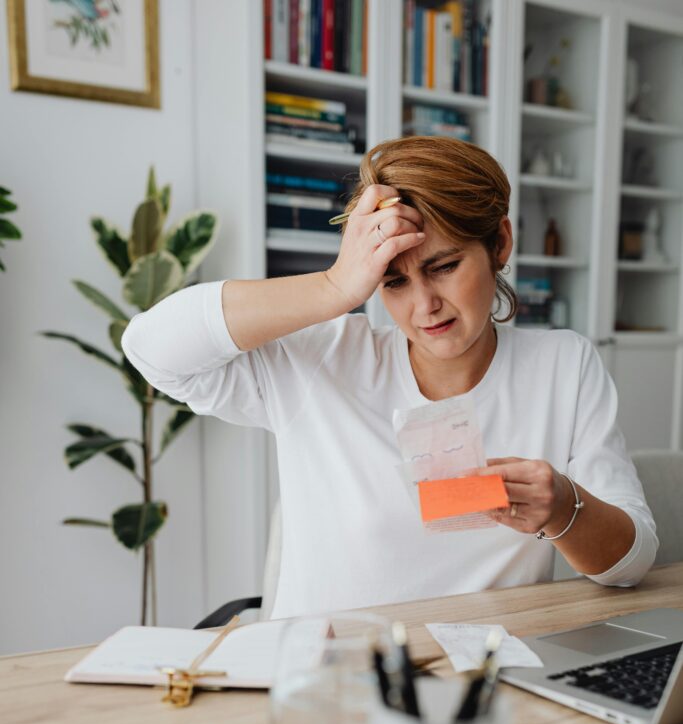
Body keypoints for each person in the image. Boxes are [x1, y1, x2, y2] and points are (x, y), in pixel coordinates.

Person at [122, 136, 657, 620]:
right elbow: (149, 348)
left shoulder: (564, 366)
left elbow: (630, 564)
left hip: (487, 682)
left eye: (445, 266)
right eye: (394, 280)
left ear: (499, 243)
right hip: (330, 685)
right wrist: (335, 288)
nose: (424, 305)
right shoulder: (323, 361)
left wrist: (565, 507)